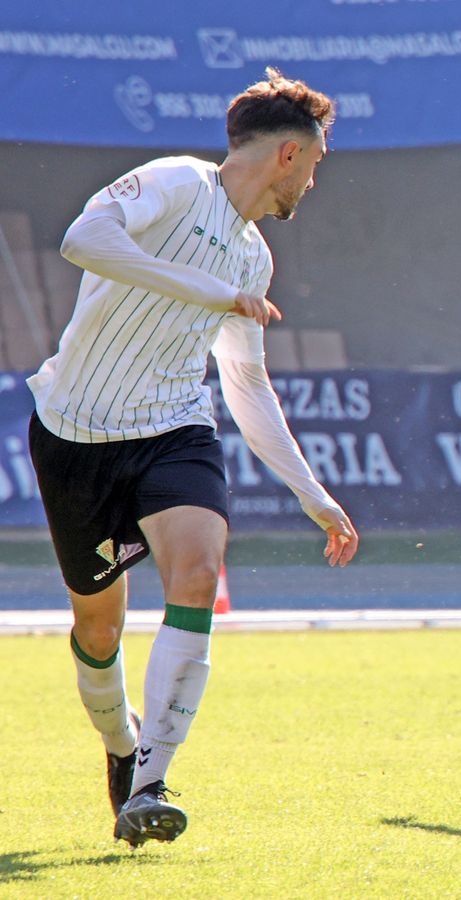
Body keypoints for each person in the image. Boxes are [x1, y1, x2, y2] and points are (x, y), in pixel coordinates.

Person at [27, 68, 359, 847]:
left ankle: (150, 782)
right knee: (98, 633)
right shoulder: (178, 182)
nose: (313, 183)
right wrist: (203, 291)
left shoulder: (254, 260)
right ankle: (121, 745)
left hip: (174, 430)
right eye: (314, 164)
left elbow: (245, 384)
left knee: (200, 573)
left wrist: (310, 492)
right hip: (75, 436)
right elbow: (83, 240)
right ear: (287, 154)